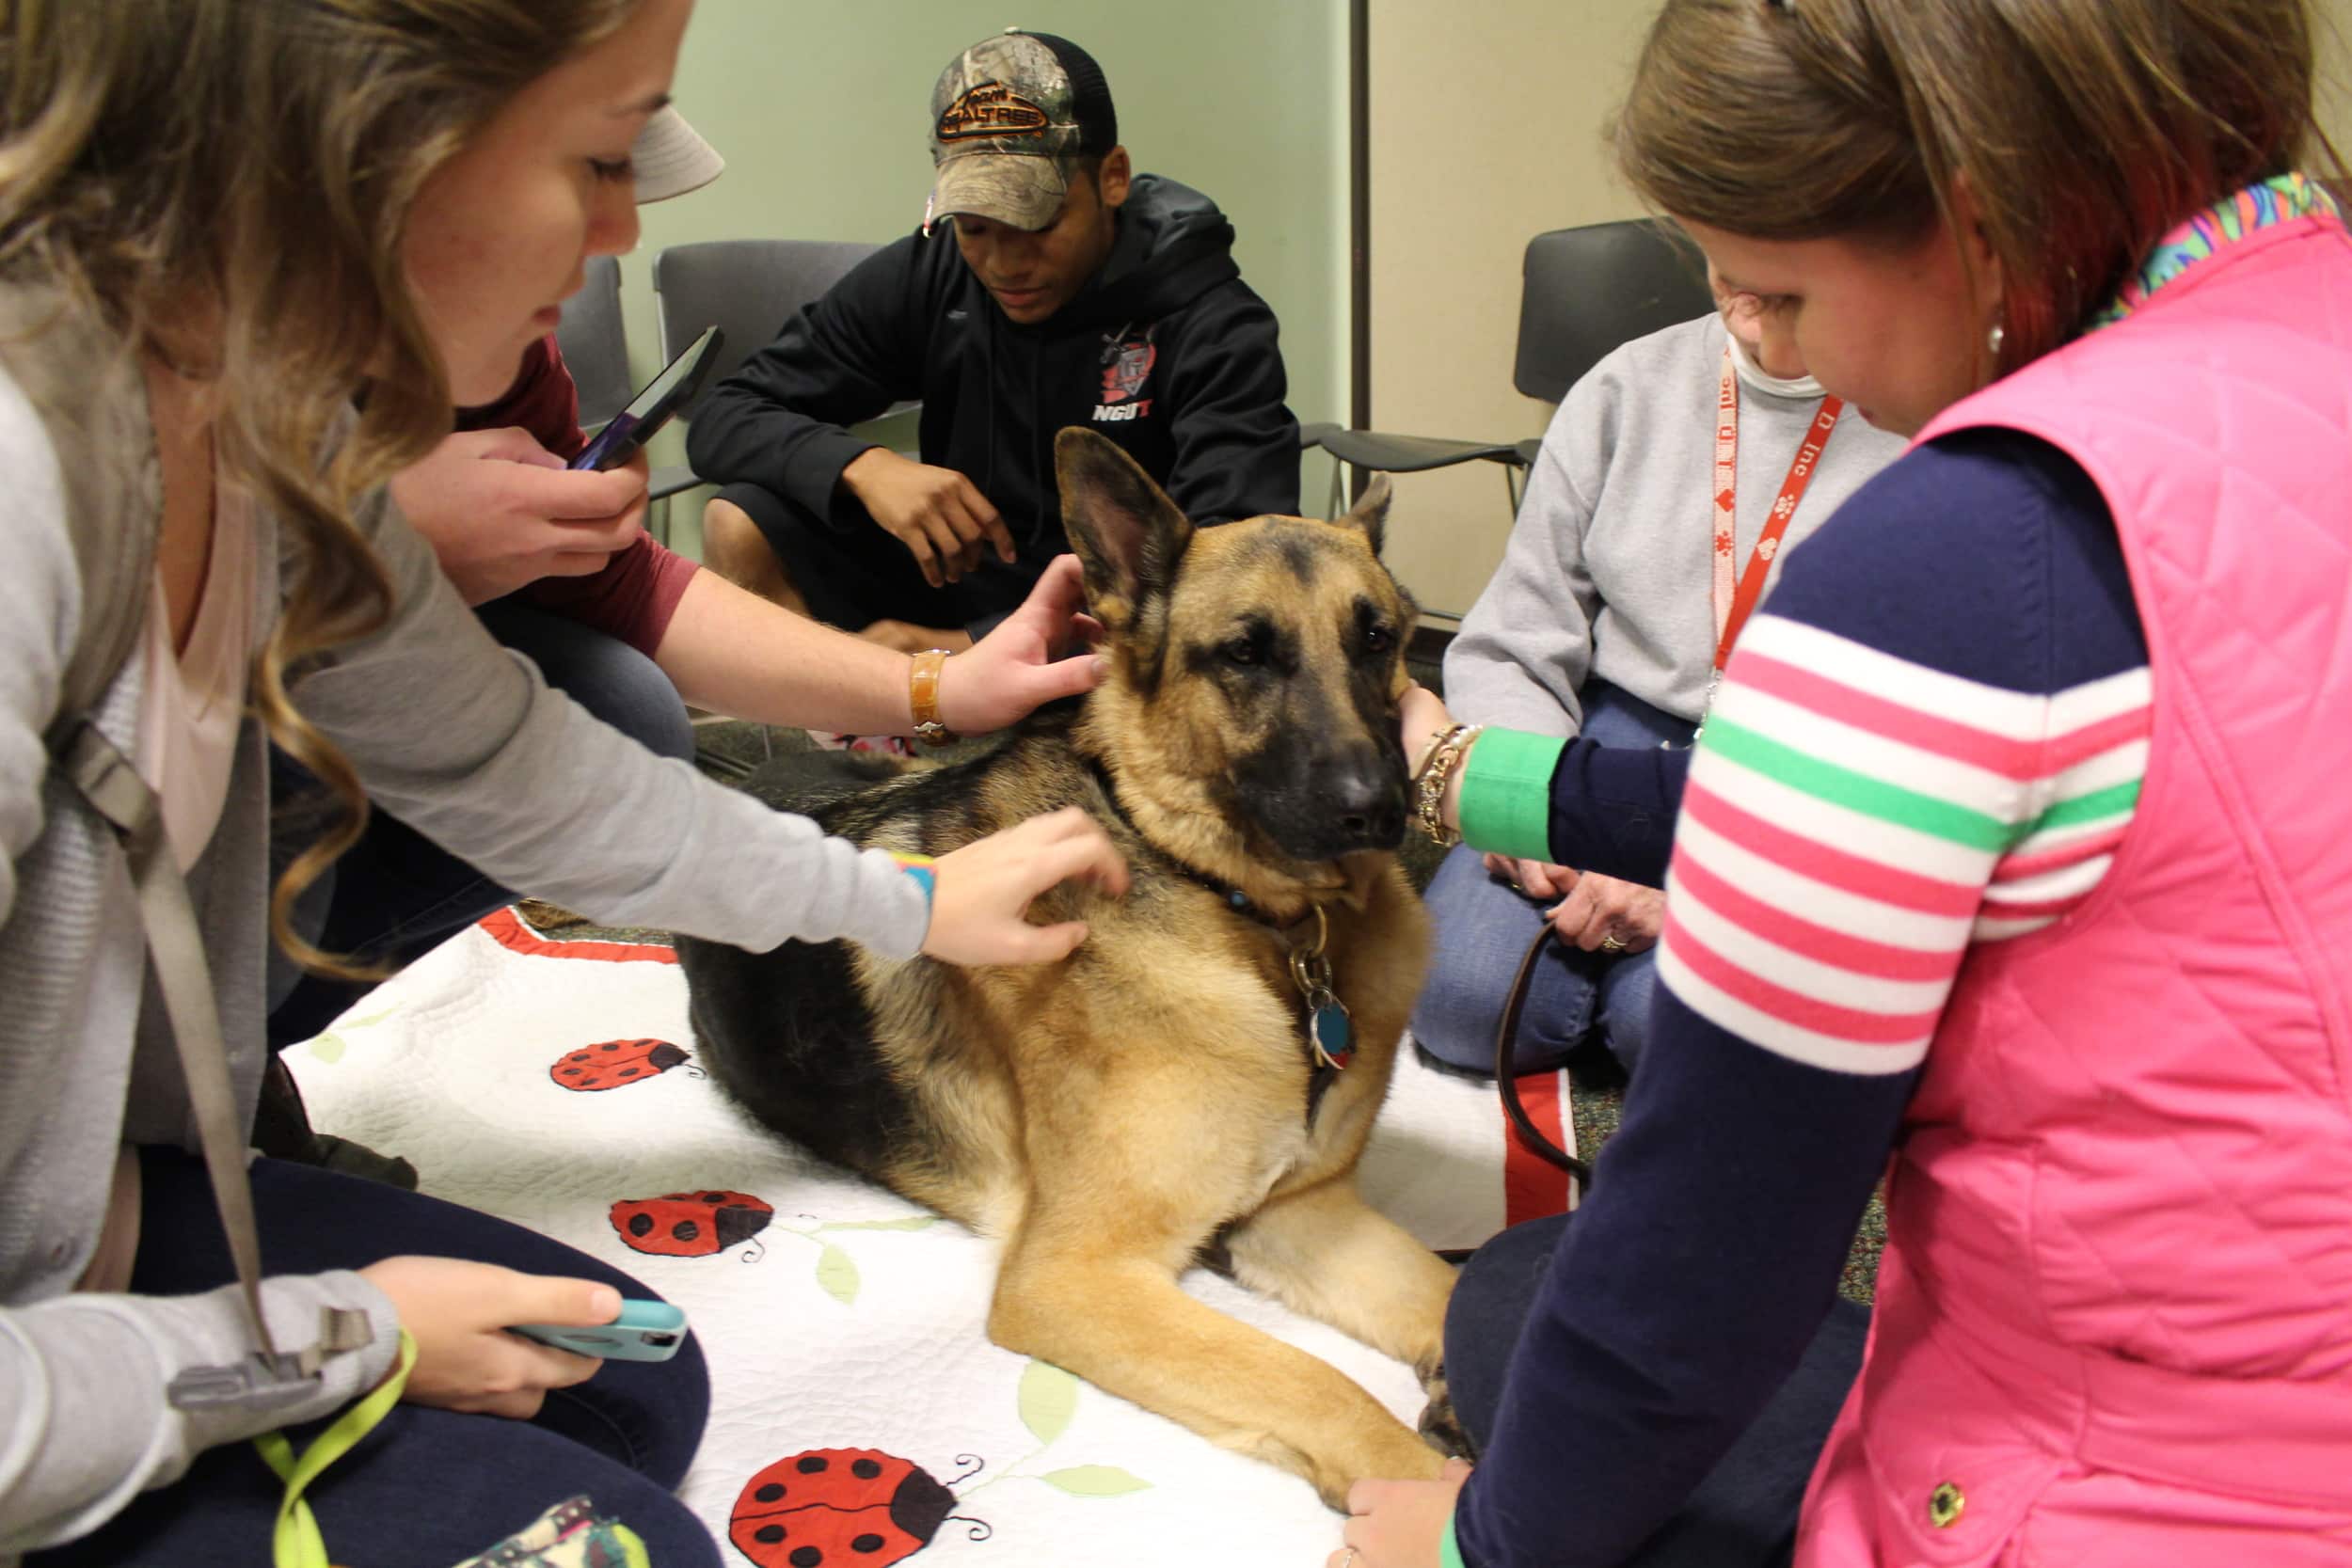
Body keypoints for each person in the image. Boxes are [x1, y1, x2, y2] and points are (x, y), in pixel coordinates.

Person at [0, 2, 1126, 1562]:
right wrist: (336, 1340)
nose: (623, 226)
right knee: (616, 1533)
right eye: (599, 153)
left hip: (73, 1232)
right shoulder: (27, 484)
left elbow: (539, 776)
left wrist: (913, 898)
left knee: (616, 1396)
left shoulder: (252, 446)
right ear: (360, 138)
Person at [1340, 1, 2352, 1565]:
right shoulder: (2303, 337)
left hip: (2130, 1489)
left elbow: (1703, 1262)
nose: (1776, 349)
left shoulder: (1949, 559)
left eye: (1784, 291)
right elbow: (1912, 811)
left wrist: (1480, 1544)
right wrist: (1478, 778)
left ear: (1977, 202)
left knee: (1542, 1302)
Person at [266, 103, 1107, 1053]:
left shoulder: (503, 352)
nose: (624, 231)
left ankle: (230, 1052)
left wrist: (939, 697)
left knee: (615, 706)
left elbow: (556, 734)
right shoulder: (183, 412)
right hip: (137, 946)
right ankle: (192, 1063)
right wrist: (359, 539)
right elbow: (517, 764)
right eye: (585, 165)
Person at [1412, 278, 1902, 1078]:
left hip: (1795, 774)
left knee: (1681, 1039)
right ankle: (1609, 973)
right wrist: (1541, 805)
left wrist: (1700, 876)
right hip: (1617, 727)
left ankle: (1622, 993)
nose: (1740, 267)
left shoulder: (1914, 406)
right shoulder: (1624, 386)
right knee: (1461, 1003)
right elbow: (1514, 636)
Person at [688, 28, 1302, 653]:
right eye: (977, 227)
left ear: (1112, 178)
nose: (1004, 263)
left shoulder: (1212, 319)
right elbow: (724, 417)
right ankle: (824, 738)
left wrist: (971, 646)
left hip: (1126, 622)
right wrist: (862, 466)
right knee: (739, 522)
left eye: (1037, 223)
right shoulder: (935, 273)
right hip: (959, 578)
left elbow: (1231, 566)